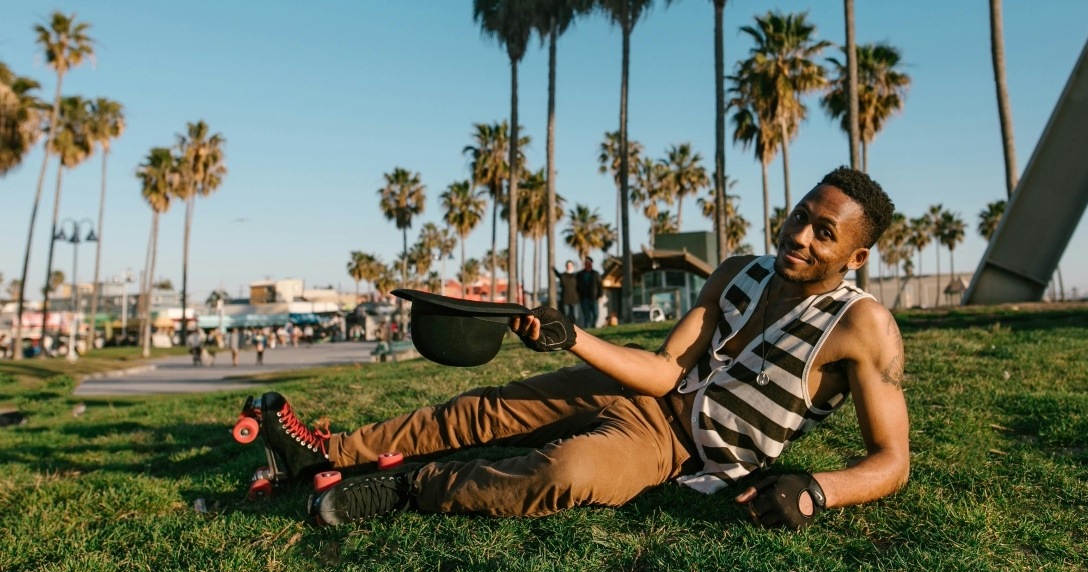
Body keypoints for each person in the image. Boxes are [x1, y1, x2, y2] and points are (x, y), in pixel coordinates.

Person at [241, 167, 910, 530]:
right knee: (486, 411)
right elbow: (665, 369)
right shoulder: (739, 270)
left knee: (564, 473)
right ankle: (320, 453)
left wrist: (817, 491)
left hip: (680, 450)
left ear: (856, 253)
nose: (800, 237)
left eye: (824, 234)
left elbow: (892, 461)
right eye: (800, 218)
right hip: (643, 397)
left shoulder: (864, 327)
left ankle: (407, 489)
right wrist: (573, 336)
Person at [576, 256, 601, 328]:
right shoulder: (580, 274)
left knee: (596, 314)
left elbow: (600, 285)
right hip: (584, 298)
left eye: (589, 262)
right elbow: (576, 285)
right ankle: (588, 330)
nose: (587, 264)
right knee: (587, 316)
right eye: (586, 262)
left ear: (591, 263)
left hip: (594, 297)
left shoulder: (596, 273)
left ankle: (593, 326)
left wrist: (600, 295)